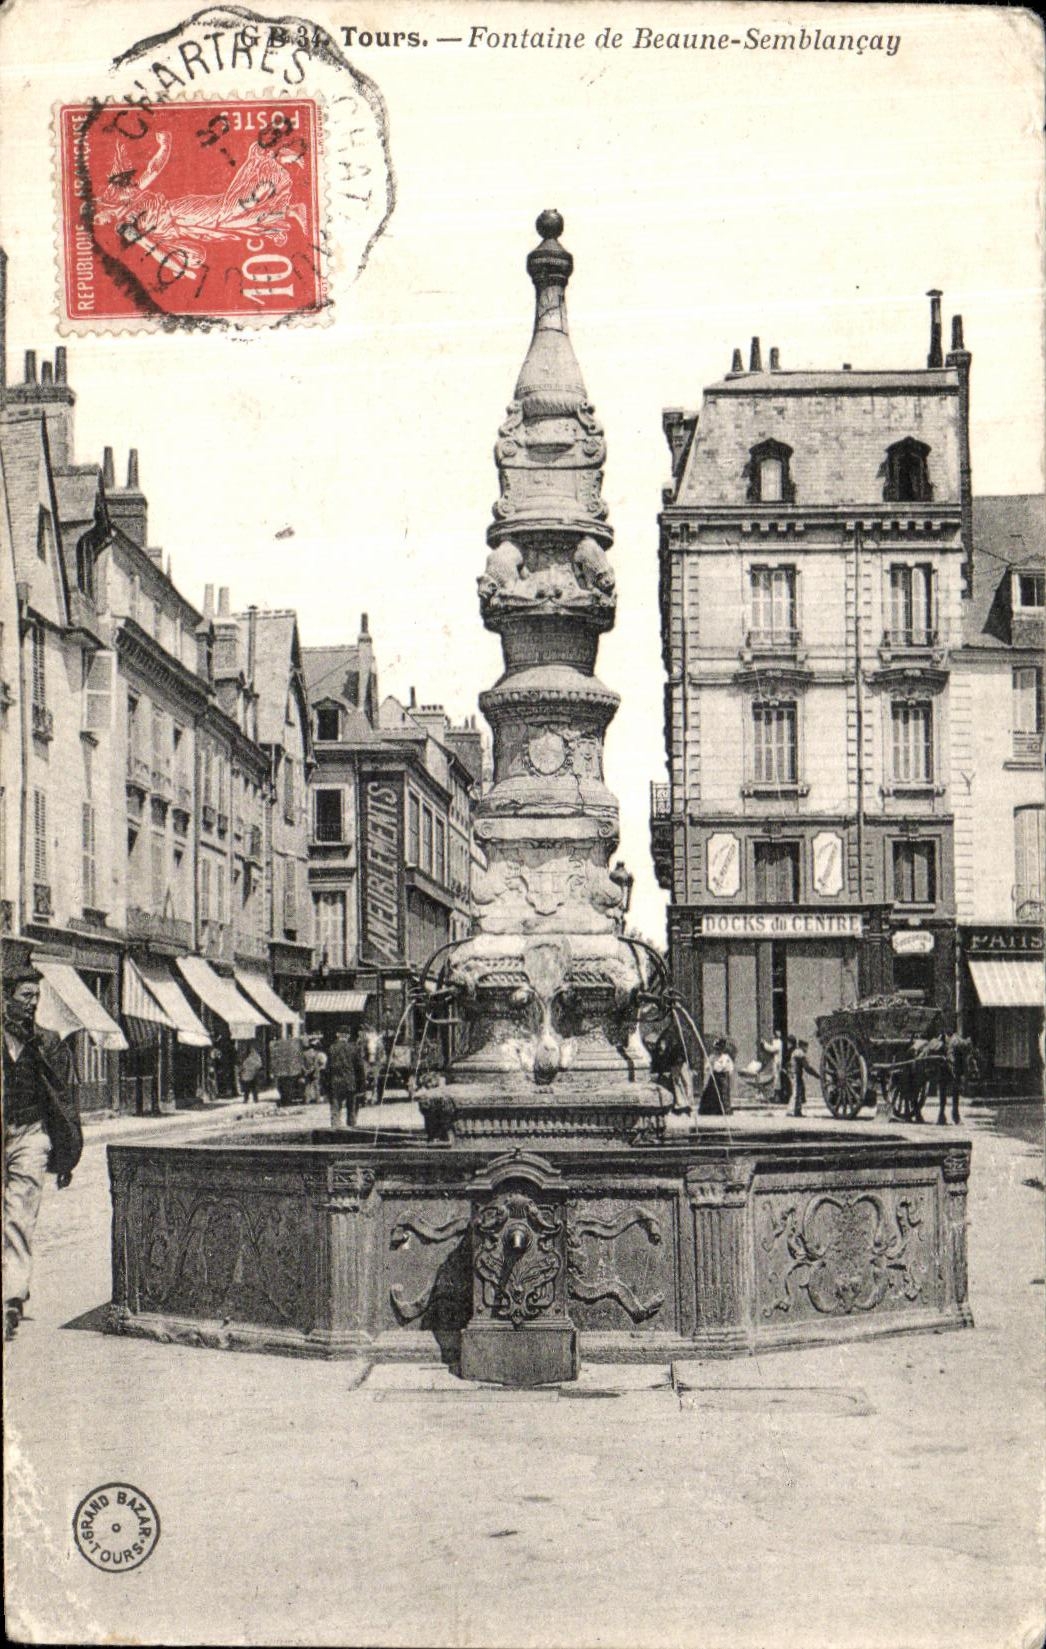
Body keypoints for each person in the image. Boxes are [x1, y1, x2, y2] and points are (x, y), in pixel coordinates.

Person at [3, 960, 82, 1341]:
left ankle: (9, 1299)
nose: (33, 1003)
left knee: (19, 1214)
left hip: (31, 1135)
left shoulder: (48, 1042)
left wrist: (66, 1155)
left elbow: (64, 1101)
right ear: (6, 998)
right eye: (25, 996)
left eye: (37, 996)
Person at [329, 1030, 368, 1129]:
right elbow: (360, 1068)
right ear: (348, 1036)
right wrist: (362, 1085)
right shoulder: (354, 1048)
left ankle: (335, 1128)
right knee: (351, 1108)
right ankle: (351, 1128)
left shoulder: (332, 1048)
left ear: (337, 1035)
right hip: (350, 1082)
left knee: (335, 1108)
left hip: (335, 1083)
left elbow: (328, 1069)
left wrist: (326, 1085)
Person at [940, 1030, 975, 1125]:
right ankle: (945, 1115)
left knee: (954, 1091)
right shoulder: (956, 1042)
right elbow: (951, 1055)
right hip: (950, 1068)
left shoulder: (958, 1043)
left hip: (952, 1067)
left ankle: (949, 1115)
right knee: (950, 1090)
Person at [699, 1037, 734, 1116]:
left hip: (722, 1077)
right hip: (714, 1076)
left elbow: (729, 1068)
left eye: (720, 1049)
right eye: (717, 1049)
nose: (718, 1051)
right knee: (710, 1093)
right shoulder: (712, 1056)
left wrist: (724, 1072)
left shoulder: (725, 1057)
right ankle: (709, 1110)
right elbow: (707, 1066)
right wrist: (709, 1067)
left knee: (723, 1094)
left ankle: (724, 1110)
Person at [788, 1038, 821, 1118]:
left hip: (796, 1074)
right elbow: (807, 1067)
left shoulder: (796, 1052)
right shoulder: (799, 1053)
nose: (807, 1049)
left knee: (799, 1091)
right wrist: (817, 1076)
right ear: (802, 1046)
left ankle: (797, 1111)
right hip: (795, 1074)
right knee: (796, 1092)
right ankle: (791, 1111)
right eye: (806, 1047)